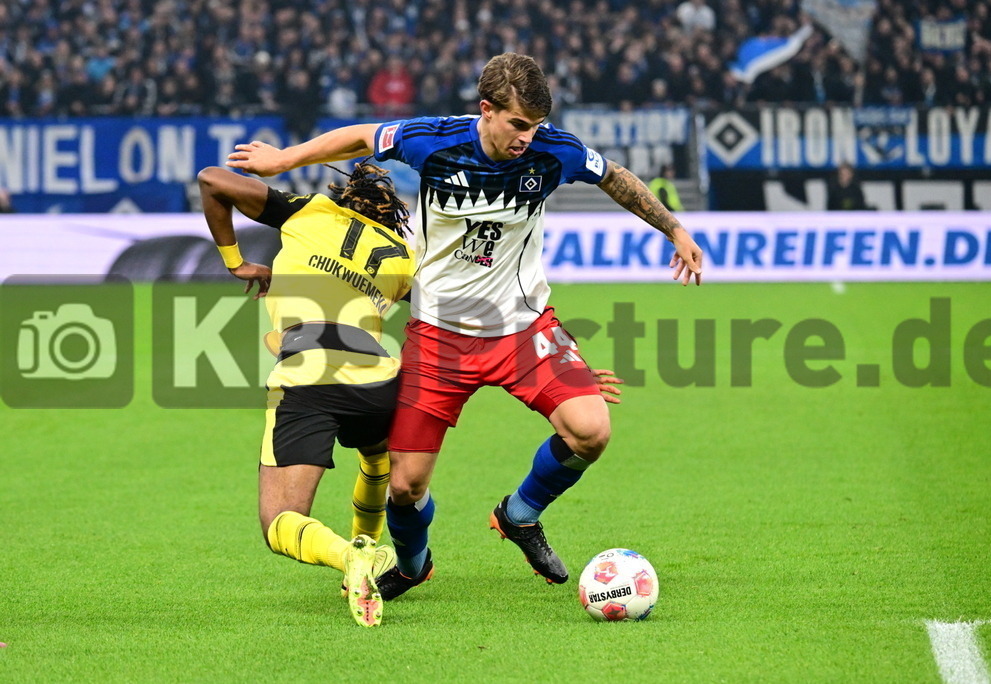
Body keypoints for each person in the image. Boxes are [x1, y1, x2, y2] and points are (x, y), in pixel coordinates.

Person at [226, 52, 702, 602]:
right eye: (518, 124)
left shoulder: (555, 151)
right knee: (405, 485)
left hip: (523, 329)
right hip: (438, 335)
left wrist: (674, 229)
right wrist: (284, 159)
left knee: (591, 429)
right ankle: (412, 563)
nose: (528, 137)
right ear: (487, 111)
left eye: (536, 126)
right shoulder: (433, 140)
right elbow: (359, 137)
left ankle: (520, 515)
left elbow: (615, 179)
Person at [197, 162, 416, 627]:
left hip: (307, 371)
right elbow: (448, 312)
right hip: (377, 377)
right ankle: (368, 549)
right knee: (376, 459)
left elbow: (212, 179)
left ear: (343, 198)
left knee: (279, 523)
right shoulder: (402, 256)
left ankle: (348, 558)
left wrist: (236, 262)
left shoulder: (310, 212)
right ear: (392, 219)